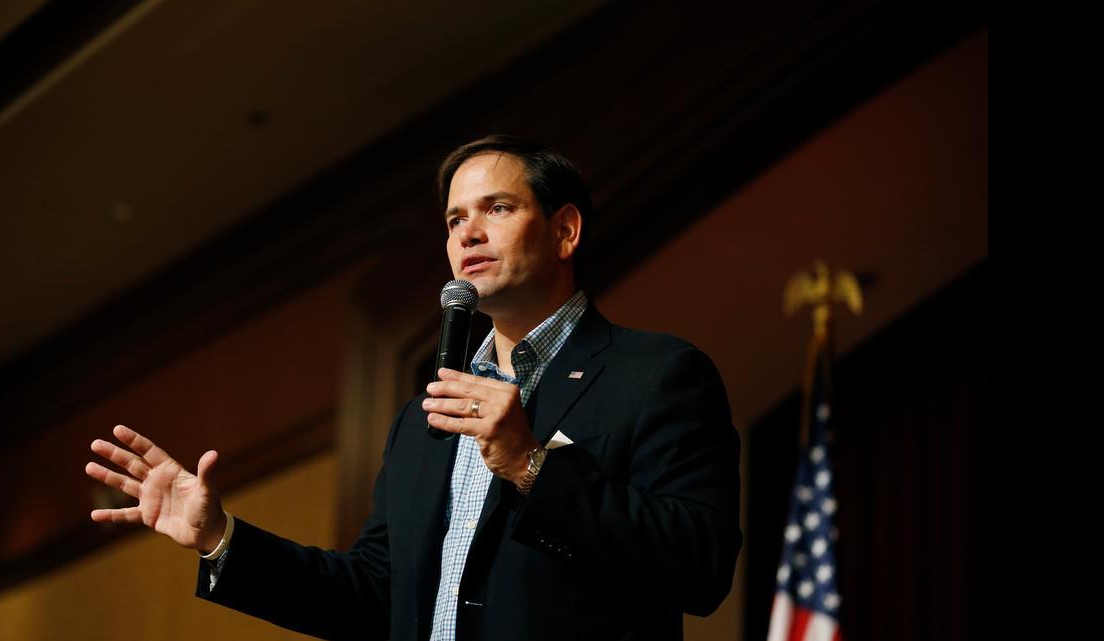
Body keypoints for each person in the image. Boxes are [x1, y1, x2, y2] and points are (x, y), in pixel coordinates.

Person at [86, 135, 742, 640]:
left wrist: (530, 464)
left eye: (498, 208)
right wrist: (220, 536)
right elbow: (376, 594)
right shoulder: (425, 414)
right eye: (455, 219)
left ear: (566, 229)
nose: (468, 233)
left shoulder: (655, 374)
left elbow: (699, 565)